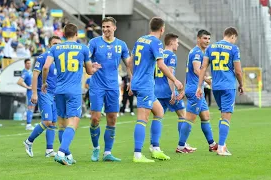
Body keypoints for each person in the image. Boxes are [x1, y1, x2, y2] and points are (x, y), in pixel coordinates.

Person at [42, 23, 101, 165]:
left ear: (63, 34)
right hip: (73, 90)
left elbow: (45, 67)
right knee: (73, 122)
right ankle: (61, 152)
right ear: (76, 34)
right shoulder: (83, 48)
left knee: (62, 124)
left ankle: (67, 155)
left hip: (59, 89)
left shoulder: (55, 48)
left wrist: (44, 82)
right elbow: (89, 71)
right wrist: (94, 68)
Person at [129, 17, 183, 163]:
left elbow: (130, 61)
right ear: (162, 29)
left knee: (159, 111)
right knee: (142, 118)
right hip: (145, 85)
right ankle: (138, 155)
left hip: (140, 83)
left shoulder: (140, 40)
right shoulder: (156, 42)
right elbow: (161, 65)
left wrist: (132, 79)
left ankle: (155, 148)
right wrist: (174, 79)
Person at [88, 17, 131, 162]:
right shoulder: (94, 42)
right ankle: (95, 149)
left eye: (108, 27)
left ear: (114, 28)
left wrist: (131, 79)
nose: (105, 29)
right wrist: (89, 67)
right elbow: (85, 58)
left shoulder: (121, 45)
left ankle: (107, 153)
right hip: (97, 86)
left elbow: (128, 63)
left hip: (113, 86)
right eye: (103, 27)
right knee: (95, 118)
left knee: (112, 119)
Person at [196, 27, 243, 156]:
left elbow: (203, 67)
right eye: (235, 39)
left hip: (215, 87)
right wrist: (241, 84)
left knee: (223, 116)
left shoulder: (211, 48)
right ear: (233, 36)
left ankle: (223, 144)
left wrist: (200, 86)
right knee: (226, 116)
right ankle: (221, 147)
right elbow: (238, 71)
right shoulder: (233, 49)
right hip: (228, 86)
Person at [177, 30, 218, 154]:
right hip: (195, 90)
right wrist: (207, 80)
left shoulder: (198, 52)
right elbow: (195, 70)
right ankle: (180, 146)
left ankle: (212, 144)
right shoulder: (196, 53)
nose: (207, 41)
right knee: (189, 119)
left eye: (208, 39)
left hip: (195, 88)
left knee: (205, 117)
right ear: (198, 39)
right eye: (205, 38)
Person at [23, 36, 62, 158]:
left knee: (53, 122)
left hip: (55, 94)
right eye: (54, 43)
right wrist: (34, 93)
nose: (57, 46)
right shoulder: (42, 57)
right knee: (47, 120)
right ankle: (28, 141)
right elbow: (35, 76)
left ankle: (49, 150)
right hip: (44, 93)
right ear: (49, 45)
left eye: (59, 44)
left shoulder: (59, 59)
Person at [17, 59, 34, 130]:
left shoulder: (30, 71)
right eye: (27, 63)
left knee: (32, 108)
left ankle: (30, 123)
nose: (29, 65)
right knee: (30, 107)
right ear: (25, 64)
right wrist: (27, 87)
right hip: (30, 92)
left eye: (30, 63)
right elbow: (19, 82)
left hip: (33, 91)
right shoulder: (25, 72)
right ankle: (28, 124)